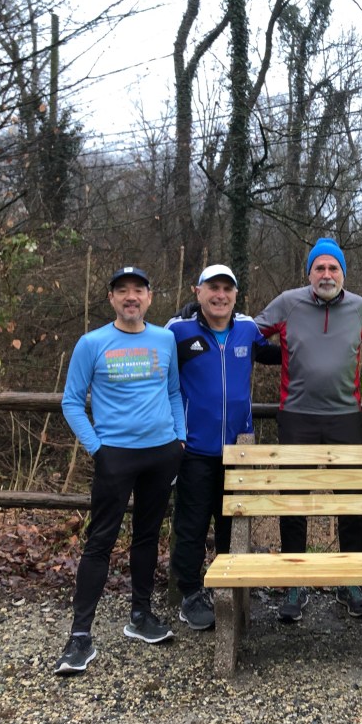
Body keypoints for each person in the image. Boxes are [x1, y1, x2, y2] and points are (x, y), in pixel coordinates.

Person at [55, 266, 186, 675]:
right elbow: (72, 401)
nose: (131, 297)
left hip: (162, 453)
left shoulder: (164, 339)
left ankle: (141, 616)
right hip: (115, 455)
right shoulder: (91, 343)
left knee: (147, 536)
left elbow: (174, 391)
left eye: (139, 291)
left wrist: (179, 440)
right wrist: (97, 449)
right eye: (122, 291)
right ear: (111, 299)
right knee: (100, 540)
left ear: (150, 297)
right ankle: (80, 637)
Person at [255, 238, 362, 622]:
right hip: (297, 415)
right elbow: (250, 338)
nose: (327, 275)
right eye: (319, 268)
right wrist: (285, 353)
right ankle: (296, 581)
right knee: (294, 499)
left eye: (333, 268)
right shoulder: (288, 302)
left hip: (346, 416)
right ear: (309, 273)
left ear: (344, 273)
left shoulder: (359, 308)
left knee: (350, 499)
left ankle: (350, 580)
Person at [165, 264, 280, 631]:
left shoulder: (247, 330)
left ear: (236, 295)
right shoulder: (177, 331)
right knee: (192, 525)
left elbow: (282, 352)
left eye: (227, 289)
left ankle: (230, 588)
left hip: (239, 450)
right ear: (197, 291)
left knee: (233, 525)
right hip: (194, 449)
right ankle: (190, 593)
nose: (220, 295)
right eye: (212, 288)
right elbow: (156, 374)